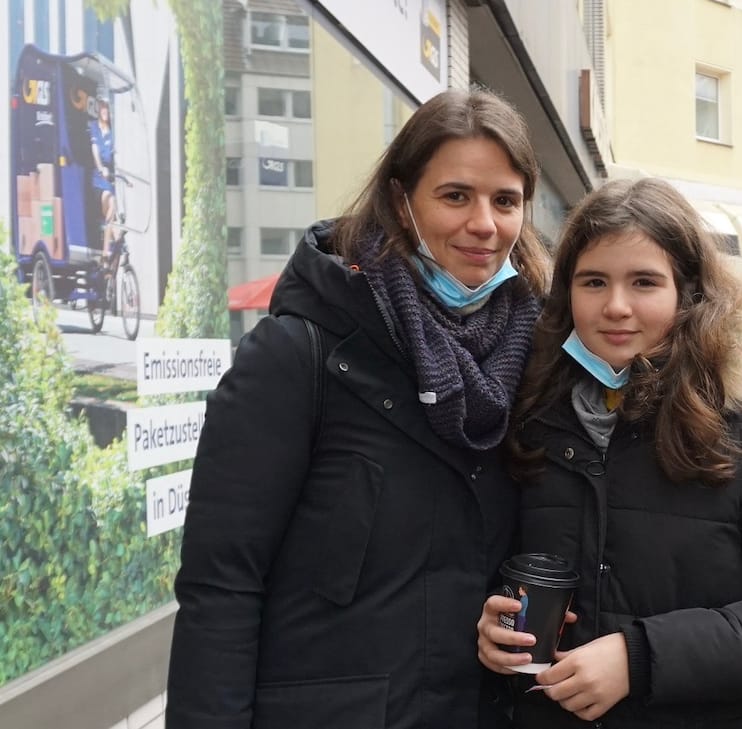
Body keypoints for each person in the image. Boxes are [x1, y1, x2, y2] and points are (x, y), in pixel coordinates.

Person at [166, 88, 554, 729]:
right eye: (456, 195)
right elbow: (222, 585)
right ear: (401, 200)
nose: (485, 224)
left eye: (505, 200)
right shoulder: (298, 355)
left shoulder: (531, 357)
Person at [476, 178, 742, 728]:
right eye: (593, 282)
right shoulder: (533, 418)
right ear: (567, 295)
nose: (615, 307)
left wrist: (640, 659)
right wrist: (495, 623)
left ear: (687, 294)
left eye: (644, 282)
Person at [89, 95, 117, 260]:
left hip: (110, 180)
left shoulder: (113, 132)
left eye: (107, 107)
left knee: (111, 210)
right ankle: (106, 250)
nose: (105, 110)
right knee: (109, 200)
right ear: (99, 109)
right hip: (99, 180)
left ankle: (109, 254)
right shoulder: (94, 127)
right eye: (103, 107)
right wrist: (101, 168)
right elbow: (95, 150)